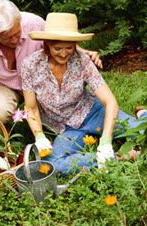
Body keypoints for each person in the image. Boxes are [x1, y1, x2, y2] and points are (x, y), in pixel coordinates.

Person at [21, 12, 147, 175]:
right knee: (53, 164)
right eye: (57, 48)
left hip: (93, 113)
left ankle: (142, 116)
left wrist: (106, 141)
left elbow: (111, 102)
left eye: (69, 48)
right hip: (67, 129)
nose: (64, 53)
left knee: (144, 133)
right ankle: (115, 158)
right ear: (47, 45)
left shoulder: (82, 61)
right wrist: (39, 136)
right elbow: (31, 108)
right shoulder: (30, 66)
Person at [0, 0, 102, 129]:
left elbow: (59, 40)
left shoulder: (34, 23)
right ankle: (4, 130)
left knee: (61, 99)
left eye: (17, 33)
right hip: (1, 85)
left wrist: (82, 52)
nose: (14, 40)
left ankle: (64, 119)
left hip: (36, 82)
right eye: (7, 38)